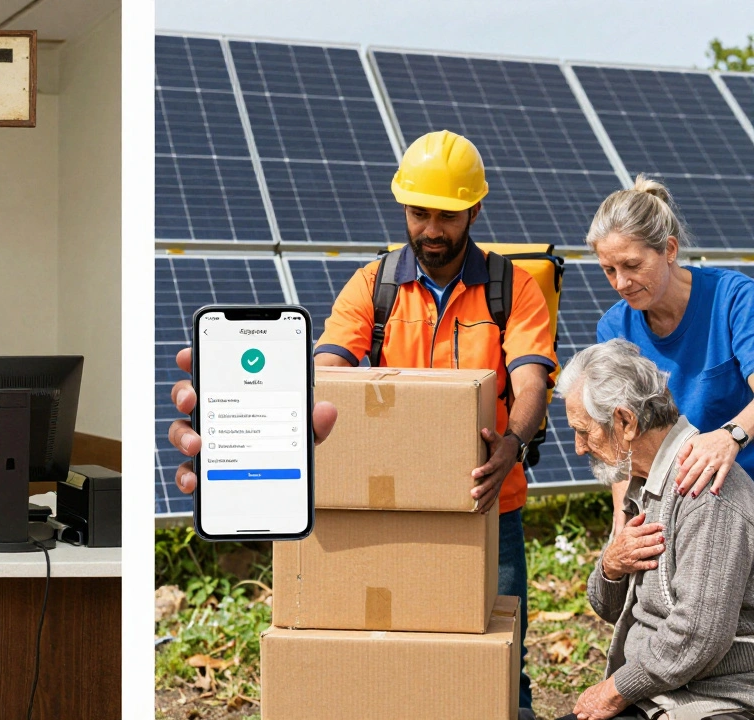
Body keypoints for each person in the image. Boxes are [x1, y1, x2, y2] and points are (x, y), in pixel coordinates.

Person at [168, 129, 556, 719]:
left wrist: (513, 441)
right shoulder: (372, 287)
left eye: (447, 215)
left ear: (474, 209)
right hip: (385, 507)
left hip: (489, 502)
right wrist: (266, 405)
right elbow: (326, 367)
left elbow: (531, 379)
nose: (431, 229)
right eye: (419, 212)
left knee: (499, 661)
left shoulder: (511, 289)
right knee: (395, 650)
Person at [552, 339, 754, 720]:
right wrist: (611, 565)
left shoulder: (706, 491)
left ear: (625, 422)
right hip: (659, 691)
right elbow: (611, 609)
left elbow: (699, 633)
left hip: (715, 700)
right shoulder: (639, 482)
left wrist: (616, 690)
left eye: (584, 431)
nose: (579, 448)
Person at [587, 176, 754, 534]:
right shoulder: (614, 328)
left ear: (670, 250)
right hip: (675, 507)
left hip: (746, 495)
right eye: (609, 270)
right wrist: (623, 517)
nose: (620, 283)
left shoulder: (734, 300)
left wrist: (731, 436)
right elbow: (622, 438)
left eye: (632, 266)